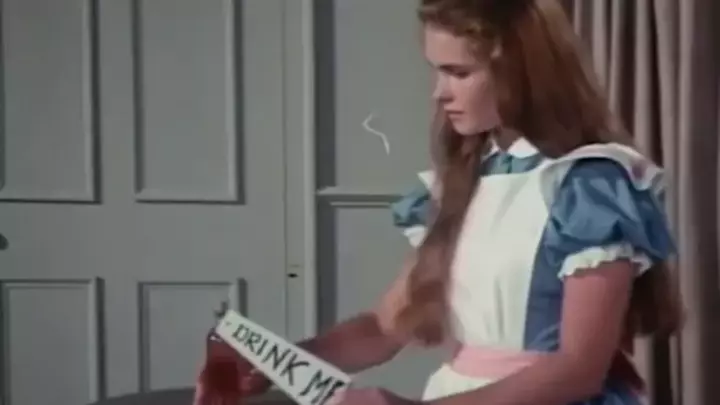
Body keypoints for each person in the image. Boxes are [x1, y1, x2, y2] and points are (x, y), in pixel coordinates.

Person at [193, 0, 683, 404]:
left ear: (521, 72)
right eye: (437, 71)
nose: (438, 93)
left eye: (458, 72)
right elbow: (383, 328)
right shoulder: (463, 182)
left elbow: (578, 370)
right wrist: (271, 363)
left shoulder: (588, 186)